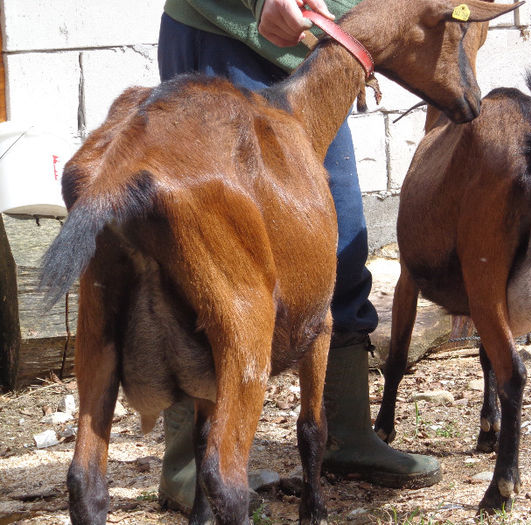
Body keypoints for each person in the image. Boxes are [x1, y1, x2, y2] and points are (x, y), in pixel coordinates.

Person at [156, 0, 441, 512]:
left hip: (317, 52)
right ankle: (190, 466)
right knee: (220, 260)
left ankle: (345, 433)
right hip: (227, 34)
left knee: (341, 239)